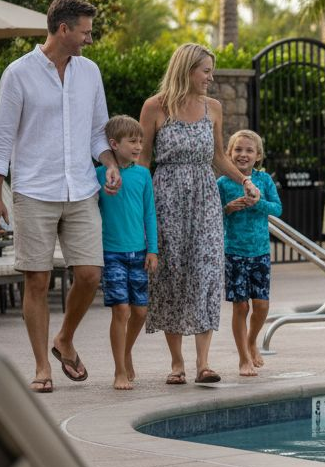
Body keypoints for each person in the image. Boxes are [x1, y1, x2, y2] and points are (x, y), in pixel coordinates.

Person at [0, 0, 121, 394]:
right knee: (38, 281)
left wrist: (110, 163)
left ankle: (64, 339)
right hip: (33, 189)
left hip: (80, 187)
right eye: (85, 32)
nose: (89, 39)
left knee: (90, 274)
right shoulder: (18, 74)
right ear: (64, 30)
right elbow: (1, 138)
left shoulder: (90, 72)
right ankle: (43, 366)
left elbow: (99, 131)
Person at [139, 43, 257, 385]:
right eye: (206, 70)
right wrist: (139, 207)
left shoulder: (213, 108)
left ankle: (204, 363)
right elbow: (144, 160)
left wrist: (244, 180)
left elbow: (219, 157)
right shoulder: (155, 107)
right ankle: (177, 364)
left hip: (205, 198)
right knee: (172, 275)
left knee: (206, 274)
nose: (210, 77)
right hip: (167, 198)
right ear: (187, 69)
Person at [95, 115, 158, 390]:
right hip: (111, 253)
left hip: (139, 252)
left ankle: (126, 351)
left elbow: (150, 215)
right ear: (113, 144)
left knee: (141, 312)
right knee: (120, 309)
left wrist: (153, 250)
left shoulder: (143, 174)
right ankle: (119, 370)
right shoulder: (98, 176)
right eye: (132, 141)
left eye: (141, 141)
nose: (138, 146)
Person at [217, 129, 281, 377]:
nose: (243, 154)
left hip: (260, 252)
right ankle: (243, 357)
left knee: (262, 305)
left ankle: (252, 340)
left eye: (249, 150)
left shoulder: (263, 181)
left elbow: (277, 208)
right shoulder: (223, 183)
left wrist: (259, 203)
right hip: (234, 252)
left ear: (258, 156)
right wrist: (227, 208)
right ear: (229, 154)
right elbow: (213, 214)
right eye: (238, 150)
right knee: (240, 306)